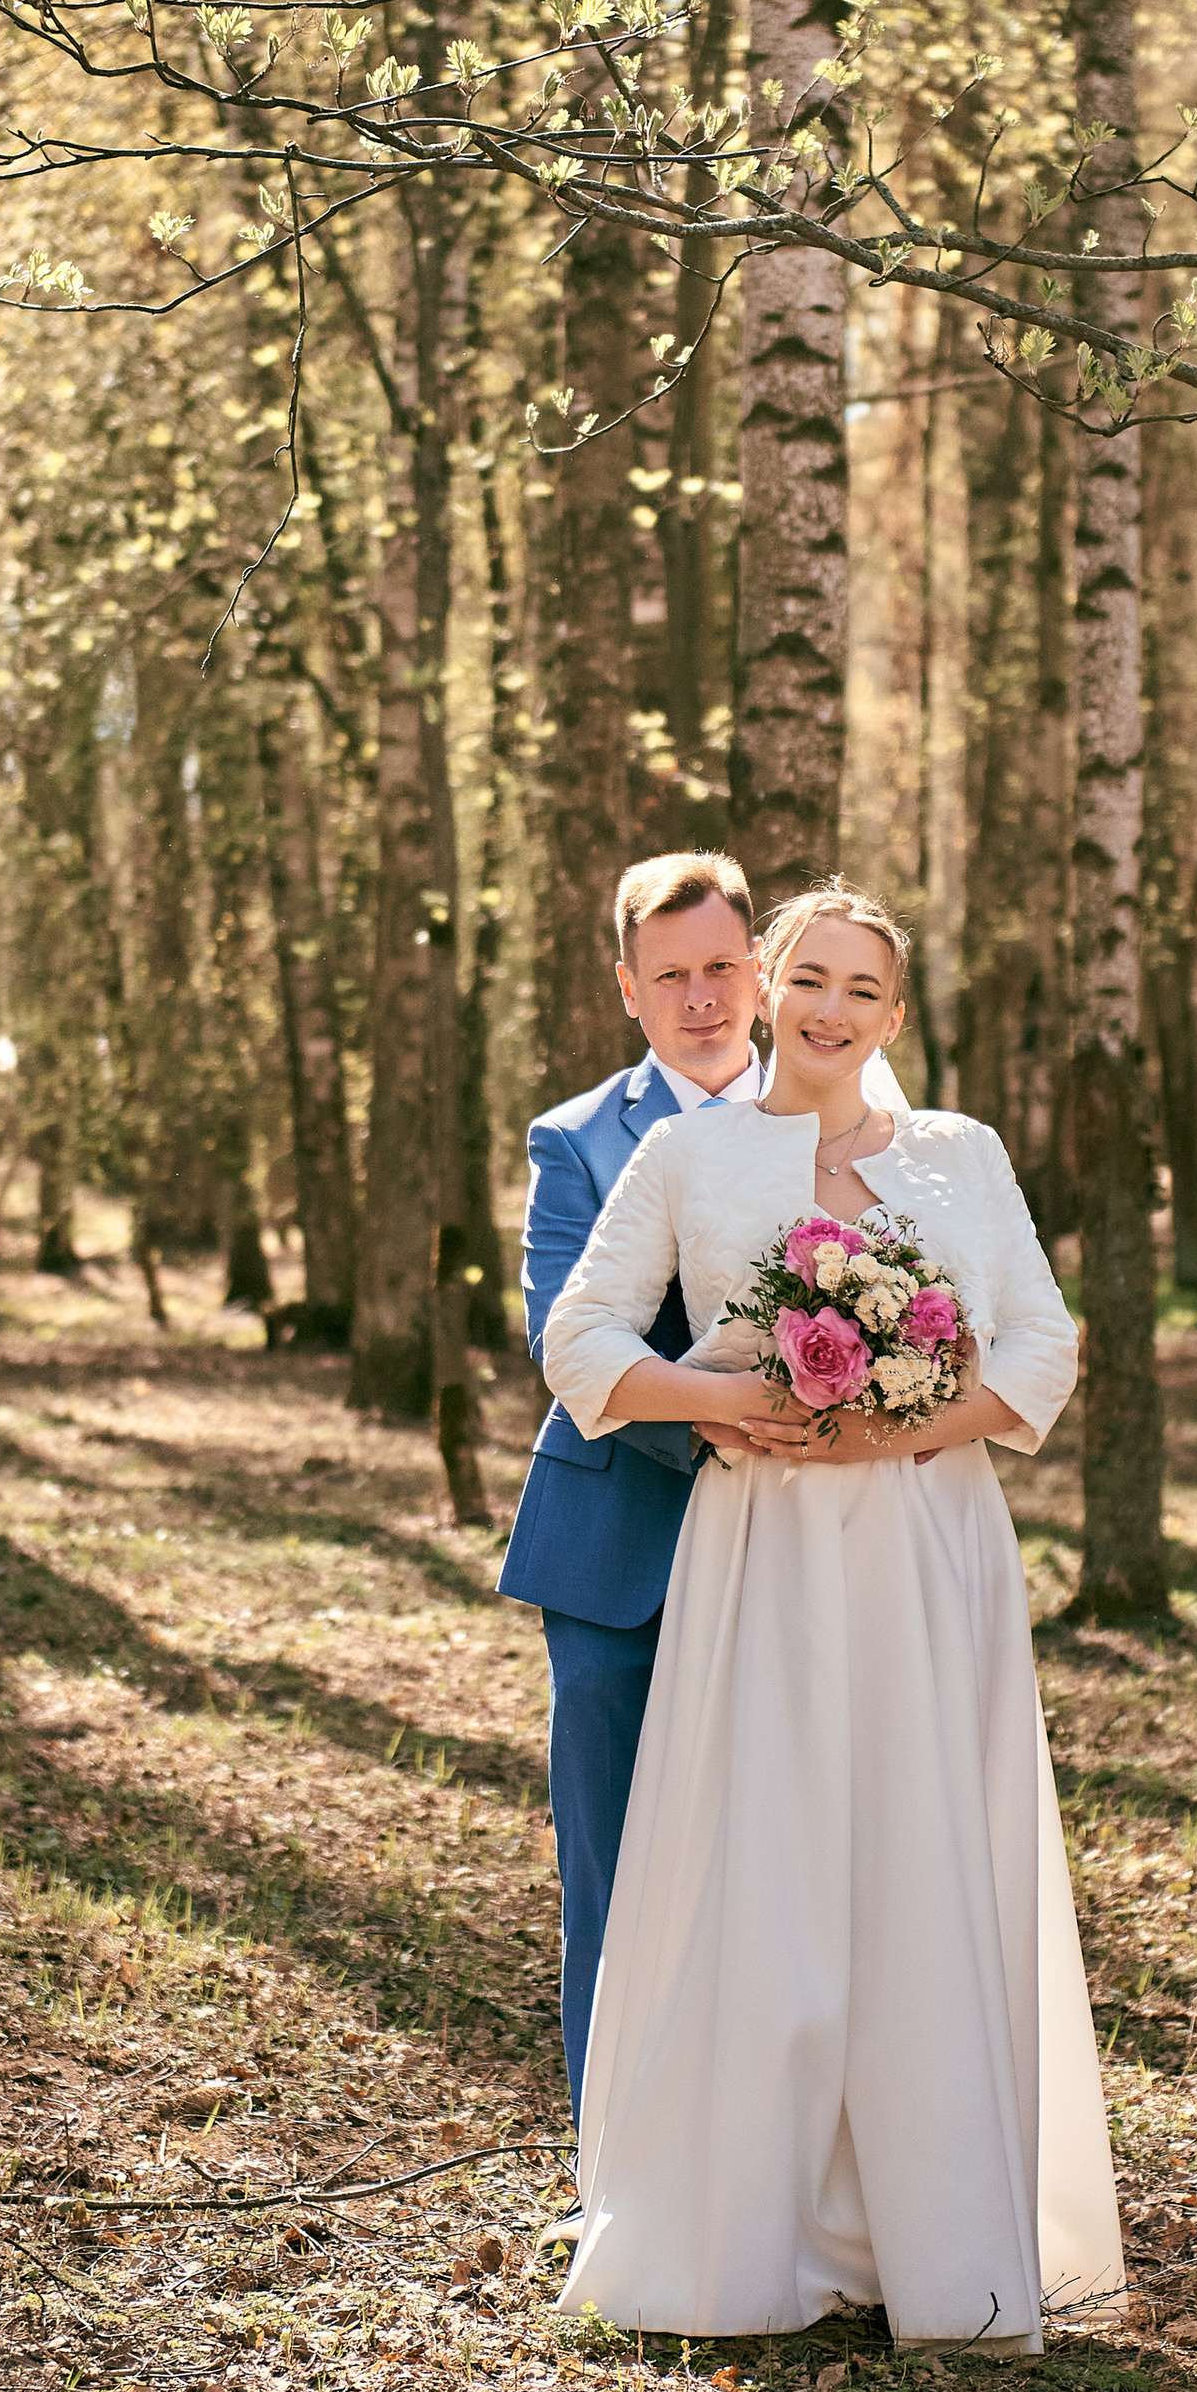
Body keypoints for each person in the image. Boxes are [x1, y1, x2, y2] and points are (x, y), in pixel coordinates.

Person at [541, 878, 1125, 2349]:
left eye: (865, 988)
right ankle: (753, 2224)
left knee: (918, 1853)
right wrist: (724, 1396)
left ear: (895, 1013)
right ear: (765, 984)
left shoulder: (961, 1155)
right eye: (809, 977)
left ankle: (928, 2226)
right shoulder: (690, 1156)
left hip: (929, 1550)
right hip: (761, 1554)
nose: (829, 1010)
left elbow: (1046, 1347)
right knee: (770, 1856)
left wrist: (904, 1430)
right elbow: (580, 1338)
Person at [497, 852, 769, 2119]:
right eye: (672, 975)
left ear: (759, 970)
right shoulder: (574, 1140)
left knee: (782, 1856)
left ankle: (772, 2166)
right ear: (627, 989)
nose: (701, 997)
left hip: (803, 1539)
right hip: (617, 1541)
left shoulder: (846, 1122)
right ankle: (616, 2162)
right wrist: (734, 1425)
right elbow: (567, 1334)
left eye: (721, 966)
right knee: (612, 1869)